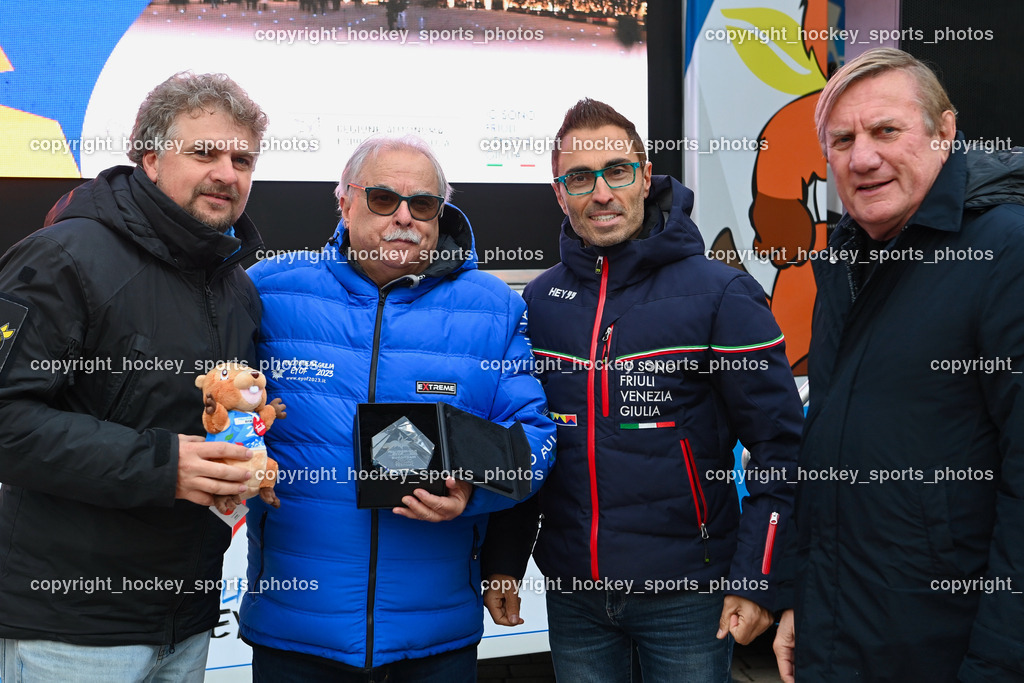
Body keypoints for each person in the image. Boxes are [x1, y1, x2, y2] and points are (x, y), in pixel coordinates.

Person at [482, 99, 803, 682]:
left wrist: (759, 578)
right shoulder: (540, 301)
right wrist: (503, 560)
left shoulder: (722, 294)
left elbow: (782, 450)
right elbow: (527, 443)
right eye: (580, 178)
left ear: (646, 176)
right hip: (576, 595)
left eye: (617, 171)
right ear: (559, 193)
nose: (601, 193)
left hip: (688, 598)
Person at [238, 135, 555, 682]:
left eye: (423, 204)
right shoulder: (269, 290)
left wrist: (473, 493)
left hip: (434, 641)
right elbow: (211, 409)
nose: (404, 217)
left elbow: (534, 438)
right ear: (345, 202)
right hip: (297, 633)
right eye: (383, 199)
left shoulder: (495, 308)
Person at [0, 72, 268, 680]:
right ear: (150, 158)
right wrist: (162, 465)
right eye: (204, 153)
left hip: (188, 623)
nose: (226, 173)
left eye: (242, 159)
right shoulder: (64, 256)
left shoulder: (235, 287)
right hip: (71, 631)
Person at [771, 47, 1024, 682]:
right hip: (843, 634)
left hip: (946, 650)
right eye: (842, 140)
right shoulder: (846, 260)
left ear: (945, 132)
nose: (862, 158)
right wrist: (802, 599)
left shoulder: (1007, 253)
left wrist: (999, 662)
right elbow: (828, 452)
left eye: (886, 130)